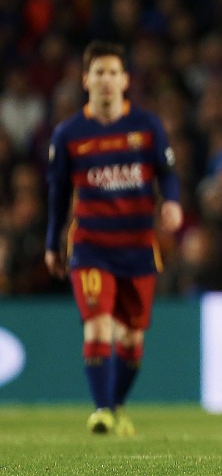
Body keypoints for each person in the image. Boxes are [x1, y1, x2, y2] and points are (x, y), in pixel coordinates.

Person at [44, 41, 183, 435]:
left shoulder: (147, 127)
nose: (106, 80)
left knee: (132, 339)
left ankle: (116, 404)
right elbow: (58, 194)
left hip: (138, 247)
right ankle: (102, 410)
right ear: (85, 80)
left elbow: (167, 174)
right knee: (98, 326)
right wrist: (52, 243)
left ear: (125, 80)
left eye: (112, 72)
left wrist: (172, 202)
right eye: (98, 72)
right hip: (91, 247)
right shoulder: (69, 134)